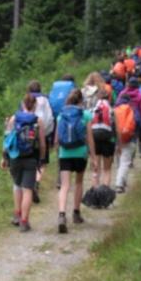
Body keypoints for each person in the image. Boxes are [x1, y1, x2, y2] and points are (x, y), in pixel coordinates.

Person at [2, 93, 47, 232]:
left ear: (23, 104)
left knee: (17, 185)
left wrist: (4, 158)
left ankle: (17, 214)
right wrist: (42, 159)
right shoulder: (38, 120)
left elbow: (6, 141)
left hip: (15, 157)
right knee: (28, 190)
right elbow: (43, 144)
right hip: (31, 158)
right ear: (34, 105)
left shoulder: (14, 118)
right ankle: (24, 221)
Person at [54, 89, 96, 234]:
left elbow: (56, 140)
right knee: (78, 182)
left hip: (64, 153)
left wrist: (57, 153)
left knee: (65, 185)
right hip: (80, 153)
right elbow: (90, 138)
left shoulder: (61, 116)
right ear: (81, 100)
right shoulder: (85, 115)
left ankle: (61, 215)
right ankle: (76, 213)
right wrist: (94, 158)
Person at [27, 80, 54, 203]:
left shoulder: (26, 100)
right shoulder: (45, 100)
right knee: (42, 162)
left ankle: (30, 183)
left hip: (28, 136)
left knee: (30, 160)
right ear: (40, 89)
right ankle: (37, 182)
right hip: (43, 134)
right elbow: (50, 118)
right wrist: (48, 133)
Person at [116, 74, 141, 157]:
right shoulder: (140, 95)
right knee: (134, 137)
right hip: (136, 119)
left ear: (128, 84)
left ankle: (127, 156)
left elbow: (117, 105)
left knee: (126, 136)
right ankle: (132, 157)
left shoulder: (122, 93)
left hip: (124, 118)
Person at [90, 88, 115, 187]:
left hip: (95, 136)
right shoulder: (111, 109)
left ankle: (95, 191)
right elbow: (114, 125)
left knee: (96, 169)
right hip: (107, 137)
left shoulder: (93, 109)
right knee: (107, 169)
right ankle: (105, 193)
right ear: (108, 97)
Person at [114, 93, 137, 193]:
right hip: (129, 138)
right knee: (125, 162)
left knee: (120, 161)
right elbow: (138, 122)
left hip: (116, 140)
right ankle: (119, 184)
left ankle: (122, 181)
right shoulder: (131, 109)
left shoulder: (114, 110)